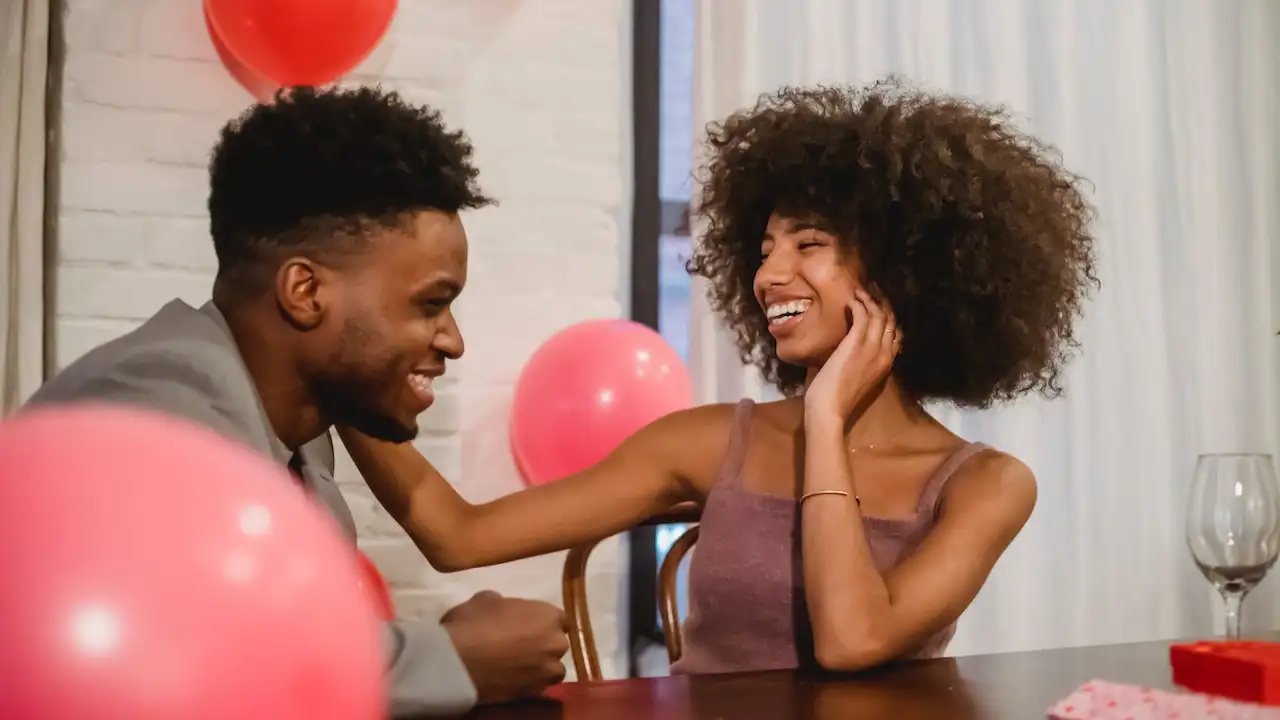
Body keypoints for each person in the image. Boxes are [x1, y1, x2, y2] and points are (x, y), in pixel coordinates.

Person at [341, 79, 1099, 674]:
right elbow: (459, 535)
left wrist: (826, 419)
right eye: (764, 248)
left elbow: (852, 640)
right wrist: (336, 375)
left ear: (906, 266)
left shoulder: (986, 485)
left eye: (809, 244)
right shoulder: (707, 442)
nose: (770, 273)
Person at [24, 86, 570, 716]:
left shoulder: (298, 431)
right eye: (430, 303)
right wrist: (456, 658)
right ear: (305, 290)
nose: (453, 340)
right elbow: (200, 665)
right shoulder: (153, 410)